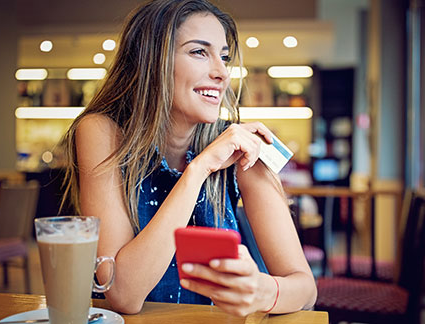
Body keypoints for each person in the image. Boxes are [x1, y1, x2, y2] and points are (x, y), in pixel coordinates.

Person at [61, 0, 316, 317]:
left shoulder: (243, 148)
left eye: (224, 57)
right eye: (199, 52)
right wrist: (199, 169)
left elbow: (306, 289)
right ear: (151, 62)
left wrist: (264, 290)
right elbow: (122, 294)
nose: (222, 72)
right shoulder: (102, 132)